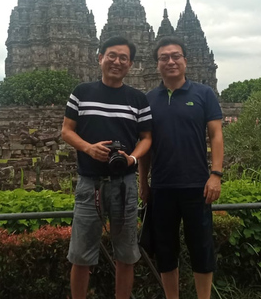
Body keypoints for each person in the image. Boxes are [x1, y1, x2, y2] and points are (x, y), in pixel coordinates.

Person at [61, 36, 153, 299]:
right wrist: (89, 148)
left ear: (131, 64)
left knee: (126, 253)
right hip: (90, 183)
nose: (117, 61)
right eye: (111, 55)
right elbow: (67, 131)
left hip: (124, 184)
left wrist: (132, 158)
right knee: (81, 255)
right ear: (100, 57)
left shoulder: (138, 99)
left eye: (123, 58)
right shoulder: (81, 92)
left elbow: (147, 138)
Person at [139, 36, 224, 299]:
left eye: (176, 56)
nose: (170, 61)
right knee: (166, 249)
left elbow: (216, 135)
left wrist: (216, 174)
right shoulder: (148, 99)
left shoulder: (204, 93)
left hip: (197, 185)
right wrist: (144, 183)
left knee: (201, 248)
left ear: (186, 61)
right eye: (164, 58)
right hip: (162, 186)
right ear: (157, 64)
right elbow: (145, 144)